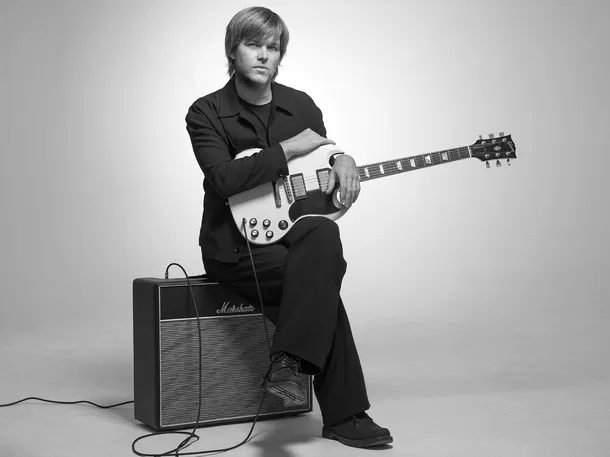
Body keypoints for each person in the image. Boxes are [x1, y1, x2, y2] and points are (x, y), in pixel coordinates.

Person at [185, 6, 392, 449]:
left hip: (289, 234)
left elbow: (323, 165)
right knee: (320, 290)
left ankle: (289, 365)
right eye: (253, 45)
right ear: (233, 51)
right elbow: (223, 179)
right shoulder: (205, 112)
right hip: (233, 248)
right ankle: (345, 415)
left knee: (323, 233)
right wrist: (286, 149)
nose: (264, 55)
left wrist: (343, 161)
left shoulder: (301, 105)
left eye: (273, 47)